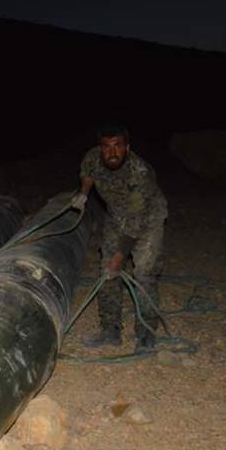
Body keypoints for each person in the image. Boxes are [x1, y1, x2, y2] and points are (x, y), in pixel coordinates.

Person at [71, 124, 168, 351]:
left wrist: (119, 257)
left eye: (118, 146)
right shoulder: (93, 157)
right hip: (117, 216)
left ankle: (146, 334)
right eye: (106, 147)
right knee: (107, 273)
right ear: (100, 148)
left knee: (143, 273)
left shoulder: (140, 172)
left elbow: (135, 224)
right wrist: (83, 195)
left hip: (147, 219)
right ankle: (110, 330)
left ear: (127, 148)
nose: (112, 152)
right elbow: (87, 172)